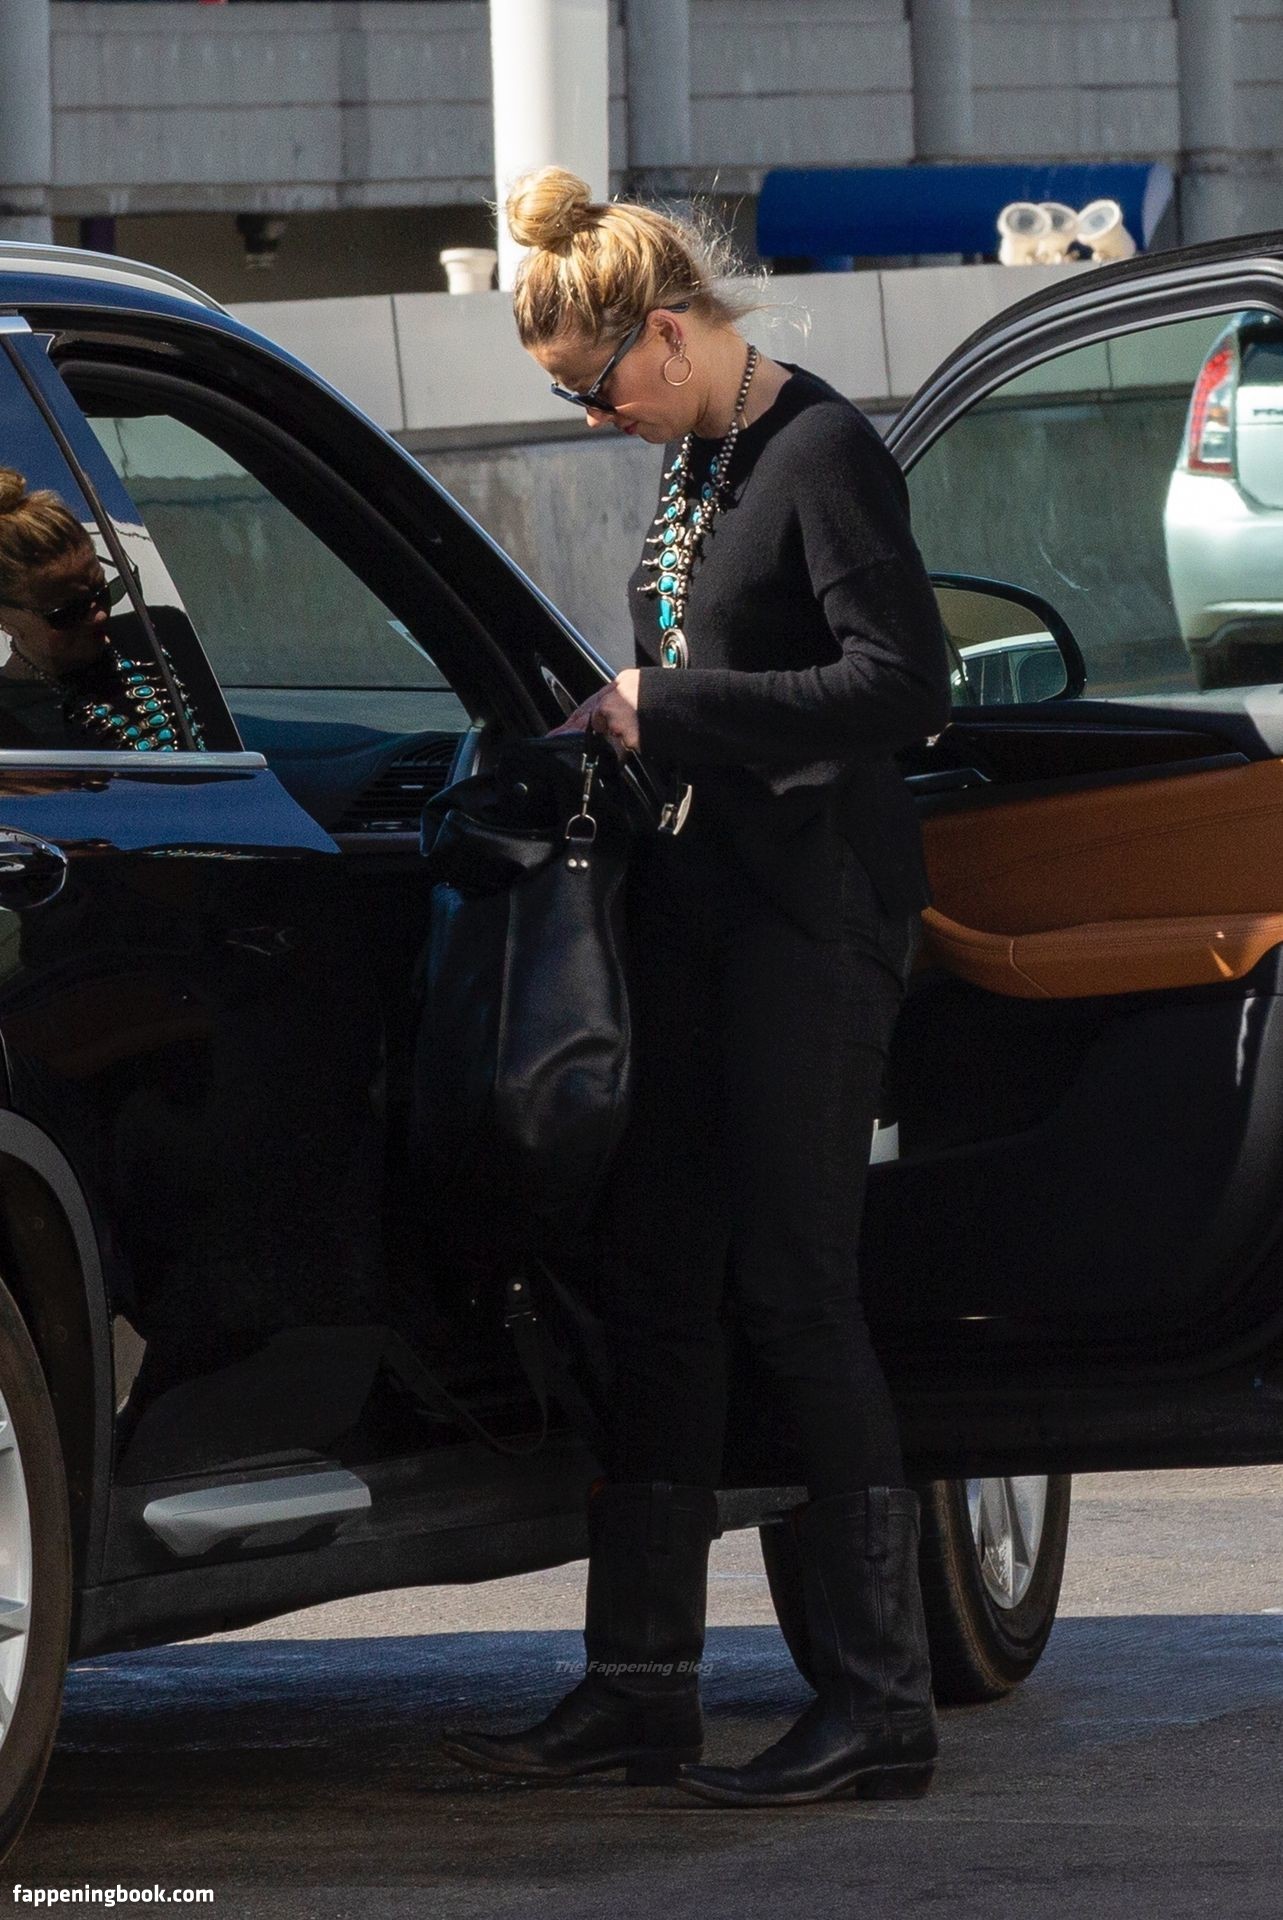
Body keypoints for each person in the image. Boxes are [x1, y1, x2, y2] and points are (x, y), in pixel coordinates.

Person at [439, 169, 952, 1808]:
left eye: (595, 388)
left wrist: (671, 707)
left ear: (667, 332)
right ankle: (641, 1688)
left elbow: (902, 684)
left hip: (813, 921)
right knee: (657, 1282)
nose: (591, 420)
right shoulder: (698, 455)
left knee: (792, 1287)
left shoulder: (818, 453)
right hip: (702, 915)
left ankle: (876, 1703)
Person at [0, 466, 203, 752]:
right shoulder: (8, 718)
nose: (99, 616)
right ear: (6, 618)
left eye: (105, 591)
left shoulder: (161, 632)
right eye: (68, 612)